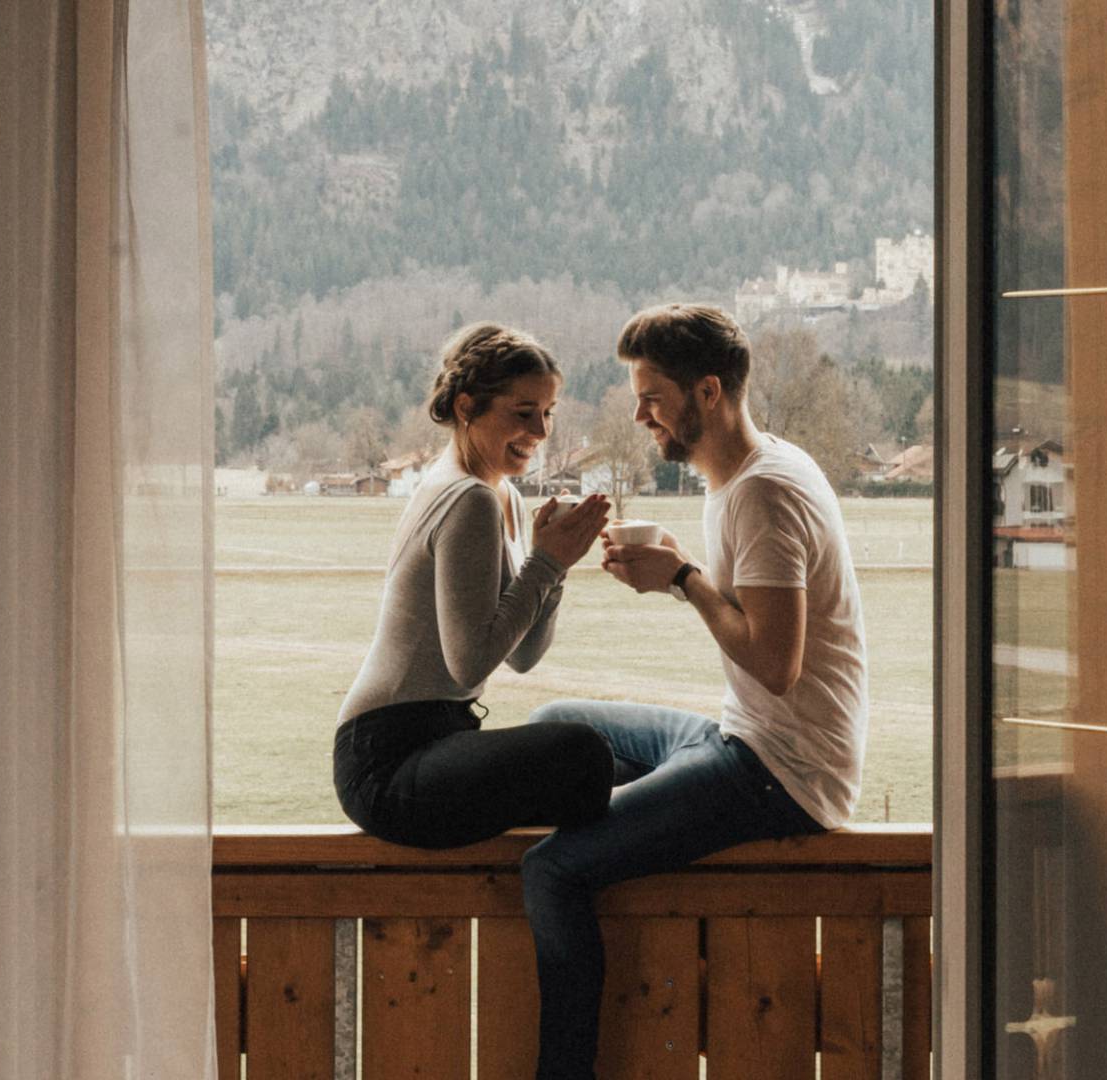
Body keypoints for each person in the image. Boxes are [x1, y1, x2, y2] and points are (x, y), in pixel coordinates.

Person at [521, 303, 869, 1078]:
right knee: (555, 733)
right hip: (737, 737)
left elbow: (776, 664)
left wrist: (681, 577)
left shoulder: (763, 494)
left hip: (783, 774)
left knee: (550, 870)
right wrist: (682, 574)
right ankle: (629, 834)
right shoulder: (750, 473)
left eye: (650, 395)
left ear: (707, 393)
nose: (640, 412)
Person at [333, 323, 616, 850]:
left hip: (439, 740)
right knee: (585, 754)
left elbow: (524, 655)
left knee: (597, 756)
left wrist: (554, 568)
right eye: (523, 411)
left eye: (548, 412)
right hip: (387, 763)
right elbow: (470, 663)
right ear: (467, 407)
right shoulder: (468, 499)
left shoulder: (502, 496)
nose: (542, 431)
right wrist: (548, 564)